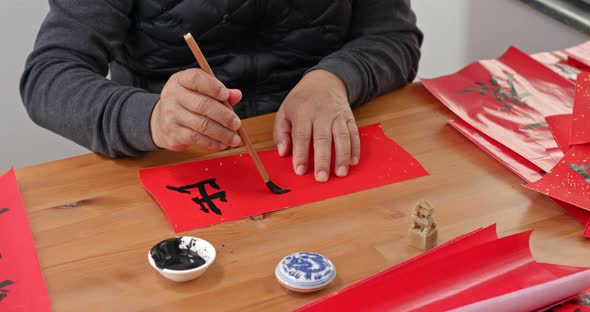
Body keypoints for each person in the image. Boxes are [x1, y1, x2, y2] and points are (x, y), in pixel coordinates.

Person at [20, 0, 422, 183]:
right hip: (176, 163)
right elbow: (49, 76)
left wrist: (335, 79)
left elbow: (394, 37)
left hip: (321, 149)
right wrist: (151, 117)